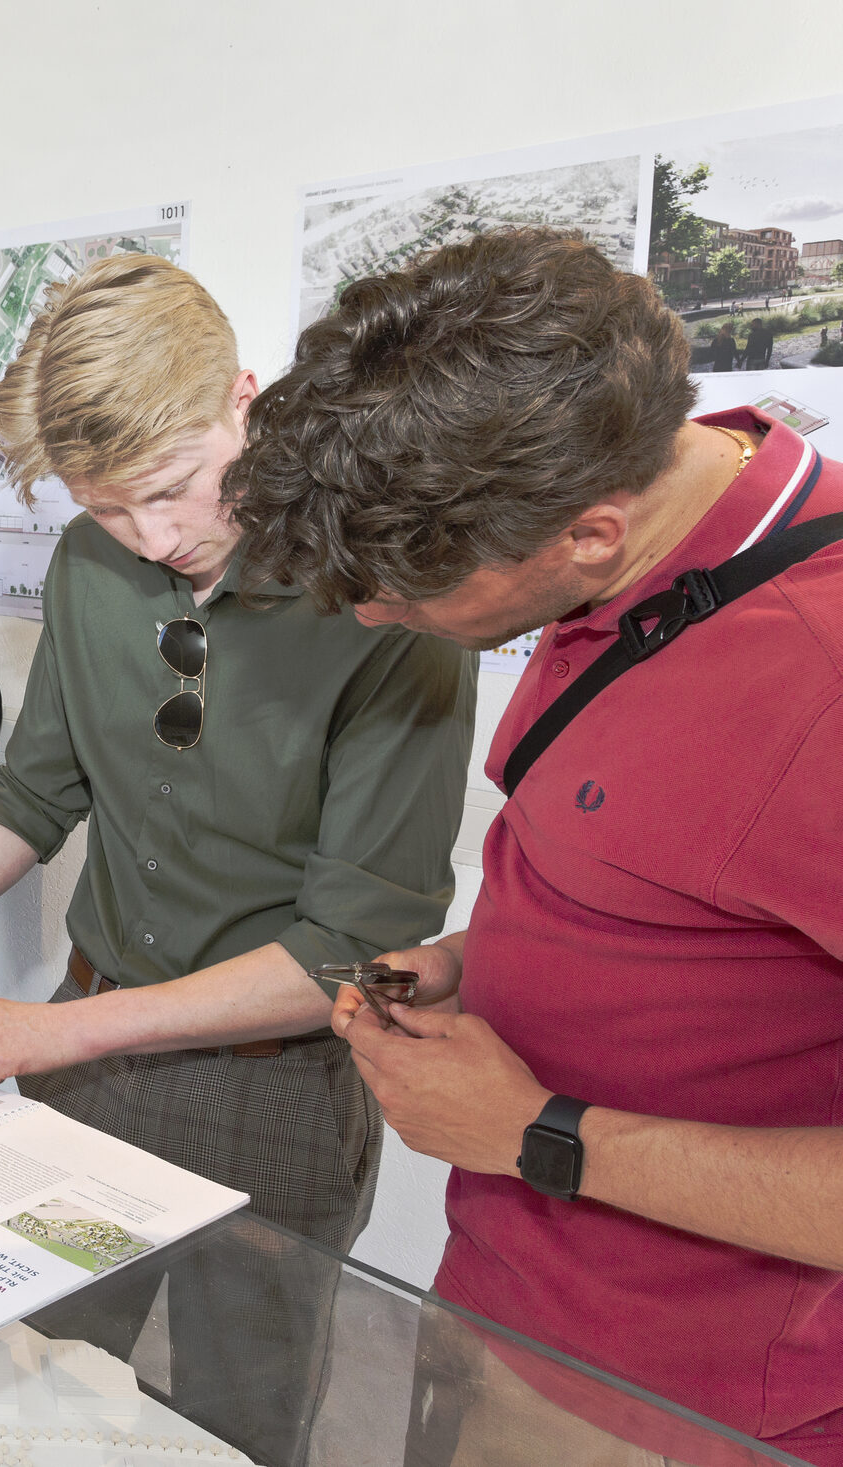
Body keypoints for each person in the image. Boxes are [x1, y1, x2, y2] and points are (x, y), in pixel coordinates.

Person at [0, 254, 476, 1467]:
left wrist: (56, 1034)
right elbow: (35, 797)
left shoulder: (386, 606)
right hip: (86, 1042)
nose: (155, 538)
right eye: (107, 507)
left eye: (176, 488)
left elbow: (347, 952)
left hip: (277, 1086)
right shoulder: (94, 566)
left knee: (231, 1422)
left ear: (243, 402)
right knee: (26, 1379)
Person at [228, 228, 843, 1466]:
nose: (368, 613)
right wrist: (485, 952)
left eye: (403, 590)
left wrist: (535, 1132)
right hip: (513, 1302)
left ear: (590, 533)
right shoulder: (635, 544)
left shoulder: (816, 675)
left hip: (679, 1396)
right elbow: (695, 888)